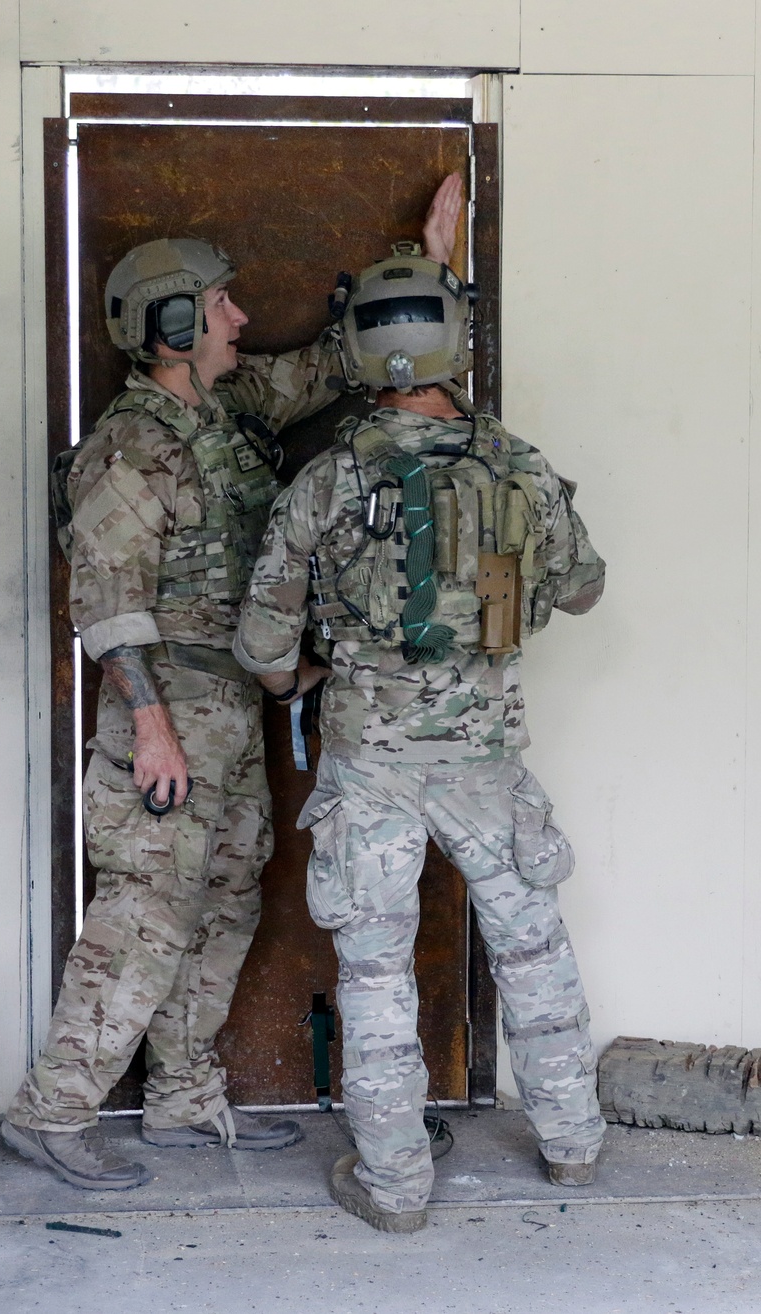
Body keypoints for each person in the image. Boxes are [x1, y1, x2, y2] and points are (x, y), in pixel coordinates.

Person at [2, 179, 465, 1191]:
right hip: (162, 710)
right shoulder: (131, 446)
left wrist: (430, 260)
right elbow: (109, 604)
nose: (241, 318)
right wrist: (153, 731)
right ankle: (53, 1109)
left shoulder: (226, 404)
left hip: (232, 706)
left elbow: (334, 365)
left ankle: (181, 1098)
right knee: (147, 909)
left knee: (223, 901)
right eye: (221, 305)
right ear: (173, 321)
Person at [233, 224, 607, 1232]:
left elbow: (262, 645)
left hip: (371, 768)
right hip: (487, 762)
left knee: (374, 973)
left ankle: (395, 1188)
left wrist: (307, 672)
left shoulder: (324, 481)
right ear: (457, 342)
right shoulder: (517, 464)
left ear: (357, 350)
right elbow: (580, 590)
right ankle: (573, 1146)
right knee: (532, 951)